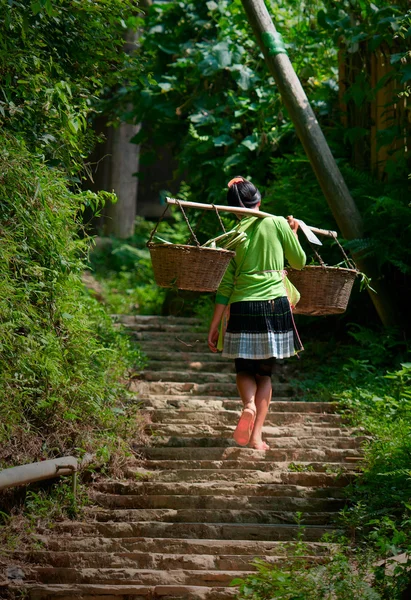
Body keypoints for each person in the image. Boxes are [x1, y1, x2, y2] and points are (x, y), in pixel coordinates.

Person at [207, 176, 306, 450]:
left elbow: (225, 285)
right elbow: (299, 262)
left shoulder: (232, 236)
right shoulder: (276, 223)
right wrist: (293, 235)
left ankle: (248, 405)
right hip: (275, 306)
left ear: (233, 210)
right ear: (259, 201)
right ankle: (256, 437)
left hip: (242, 305)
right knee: (265, 374)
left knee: (244, 368)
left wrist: (214, 325)